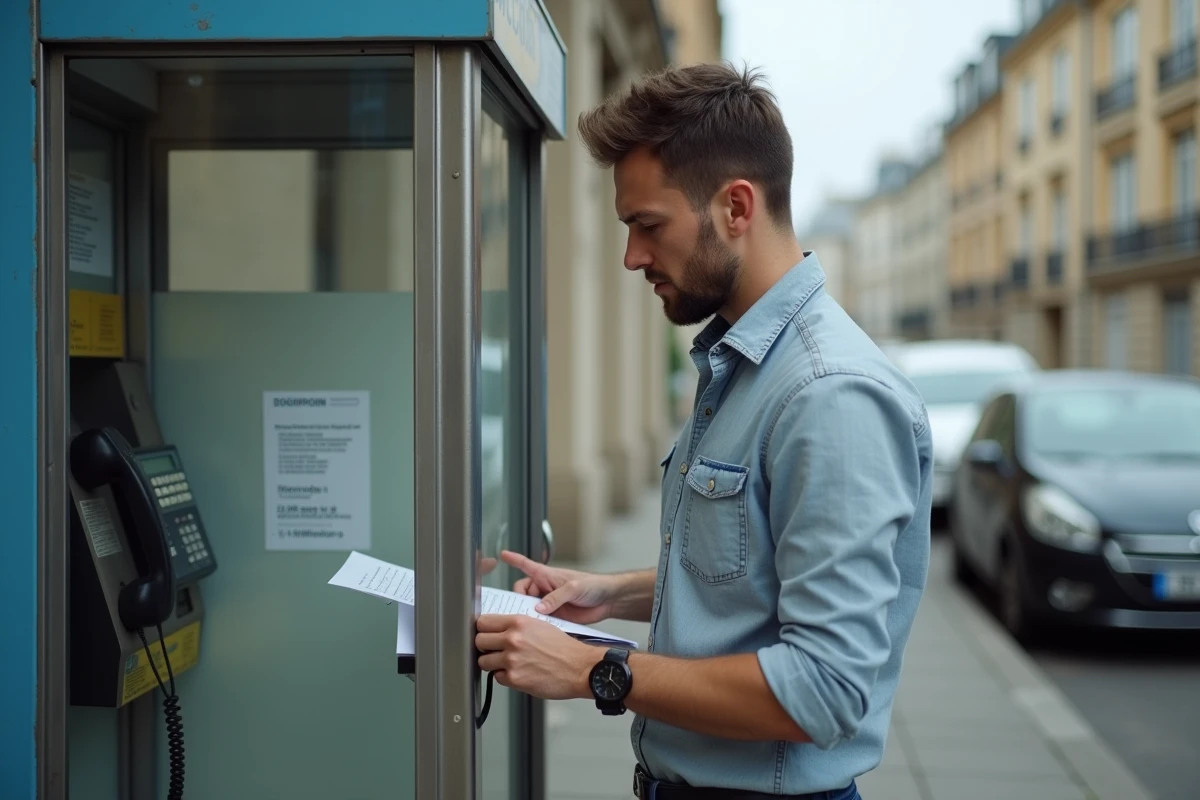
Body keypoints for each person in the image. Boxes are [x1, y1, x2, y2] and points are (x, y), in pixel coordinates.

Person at [475, 62, 932, 800]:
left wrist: (596, 669)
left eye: (647, 226)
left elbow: (824, 687)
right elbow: (759, 571)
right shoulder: (747, 363)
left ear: (736, 207)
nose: (632, 258)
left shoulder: (829, 396)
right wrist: (611, 593)